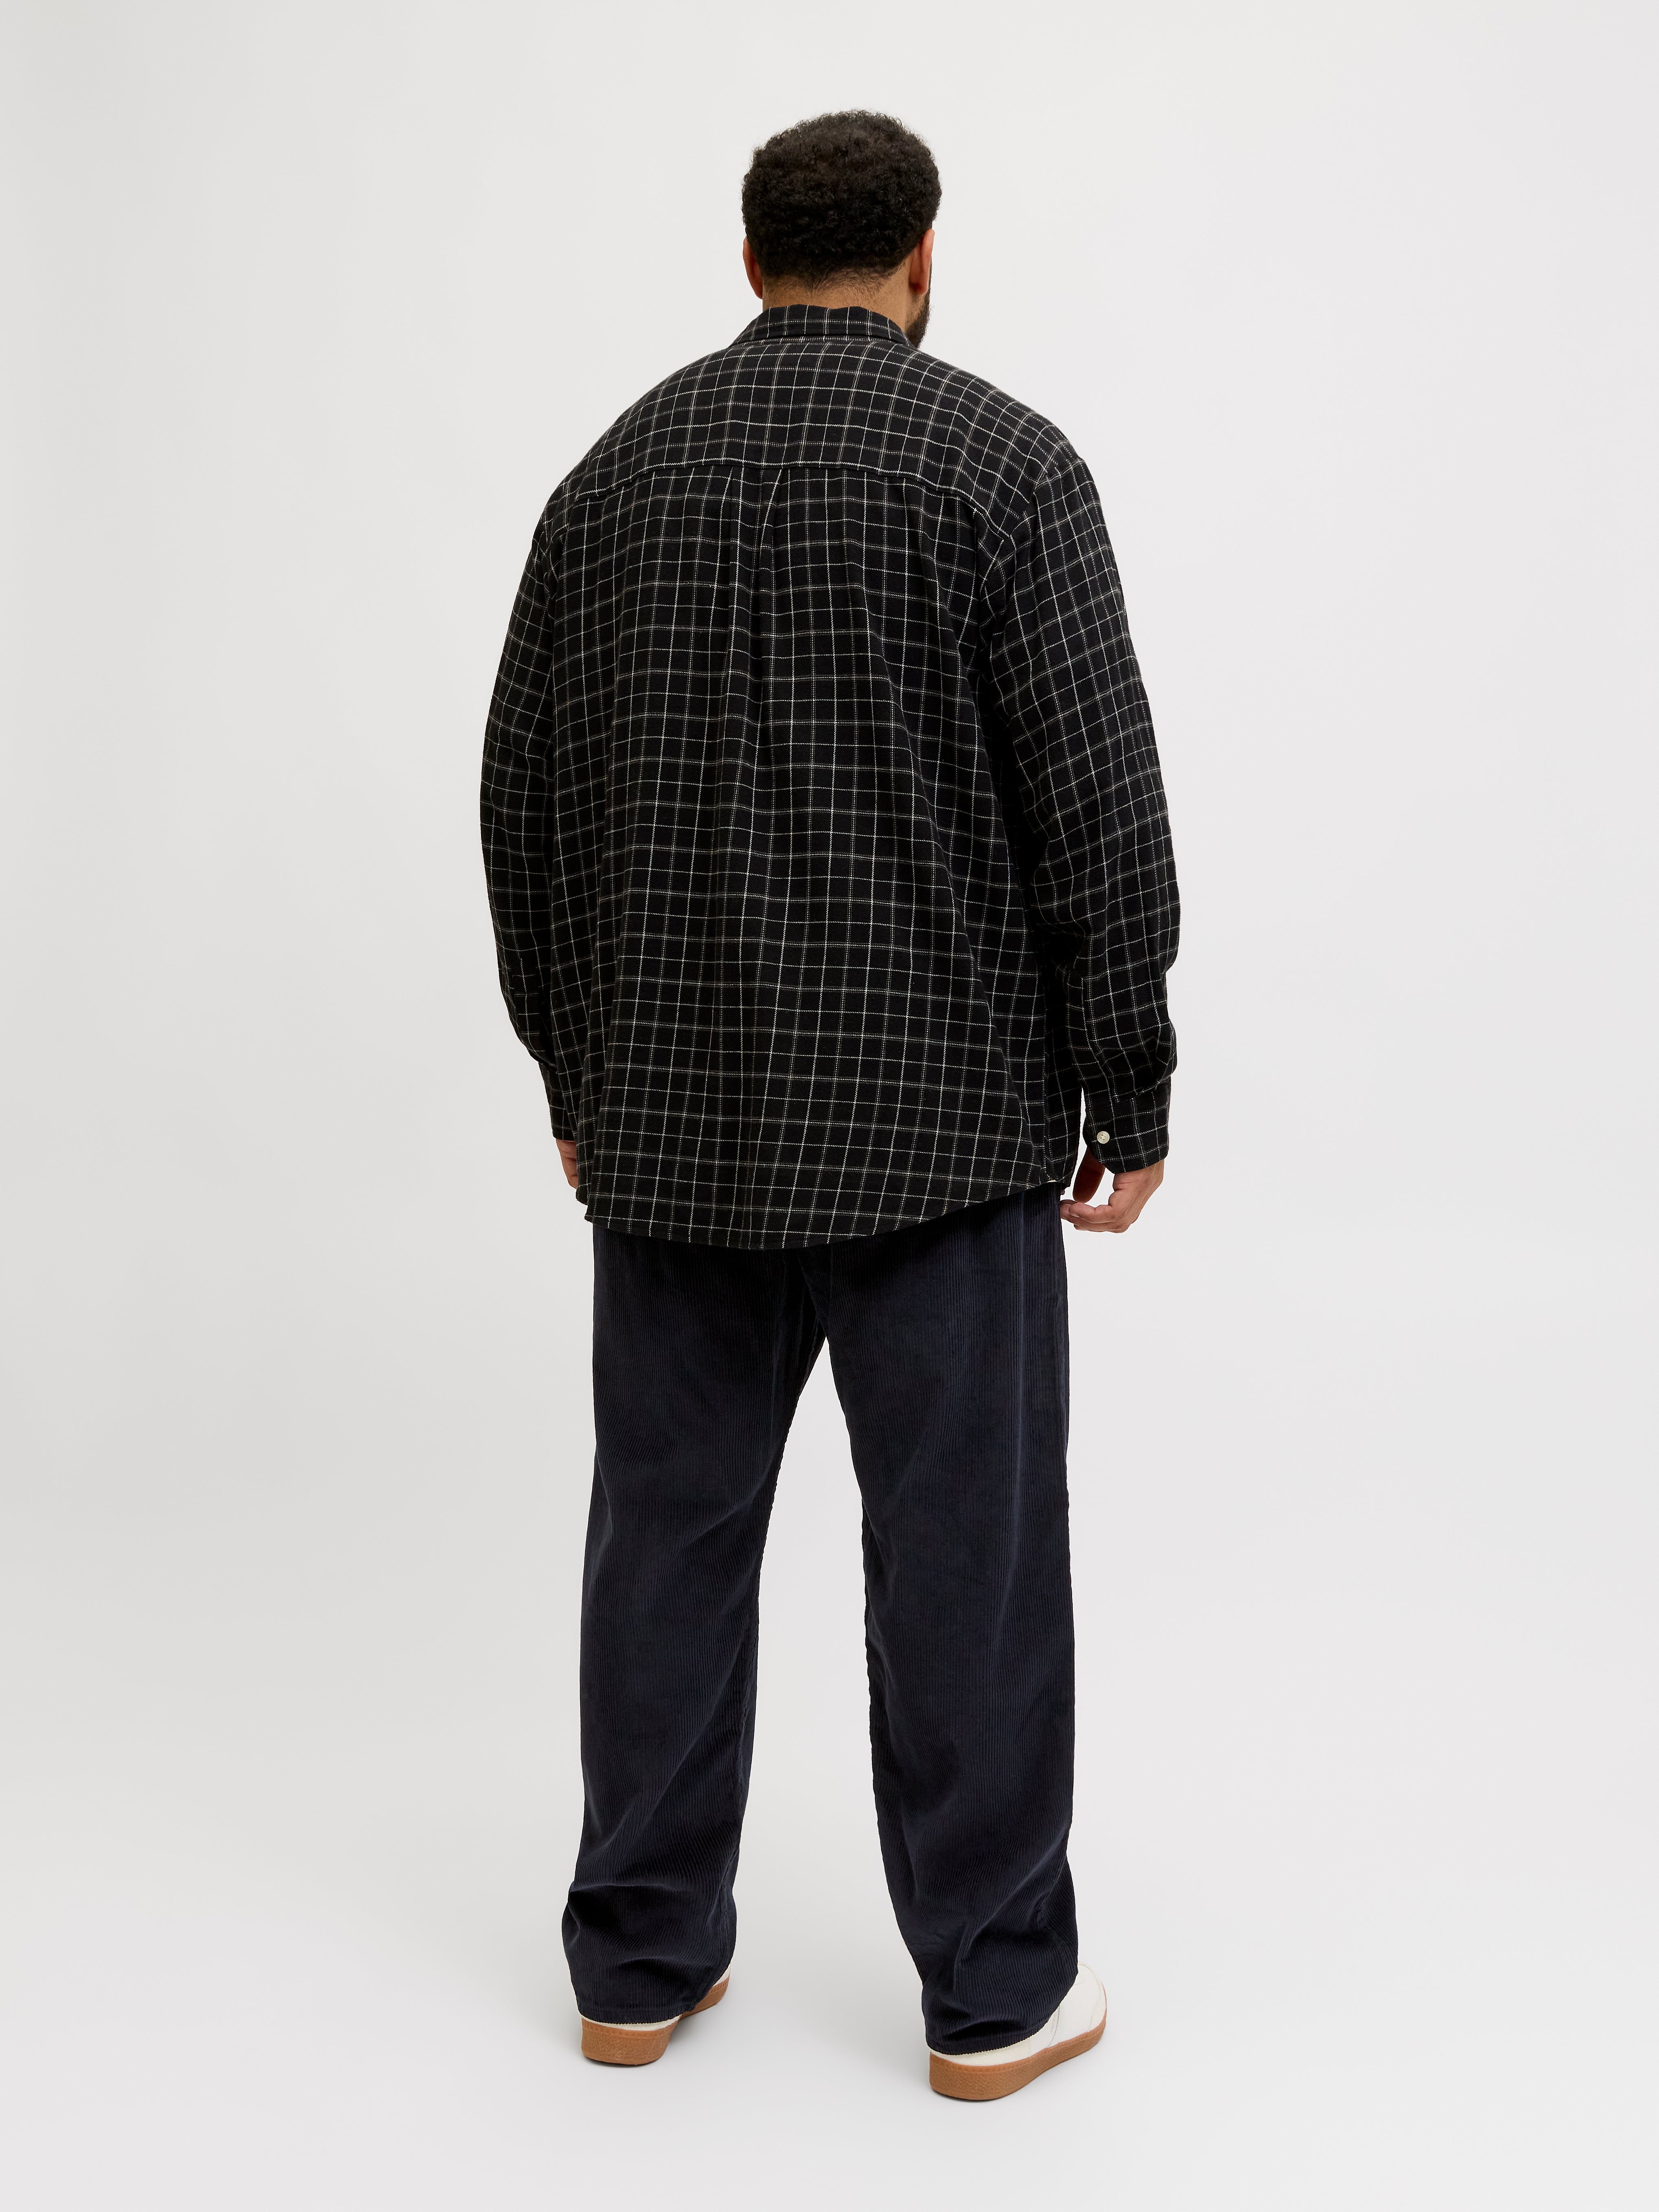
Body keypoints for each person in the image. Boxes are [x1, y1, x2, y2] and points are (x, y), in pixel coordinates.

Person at [481, 109, 1178, 2102]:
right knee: (964, 1563)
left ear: (750, 258)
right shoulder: (1003, 470)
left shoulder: (609, 482)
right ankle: (995, 1993)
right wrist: (1124, 1080)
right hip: (940, 1138)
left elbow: (518, 809)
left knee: (664, 1549)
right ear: (923, 257)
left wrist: (575, 1066)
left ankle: (635, 1969)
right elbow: (1097, 812)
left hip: (672, 1141)